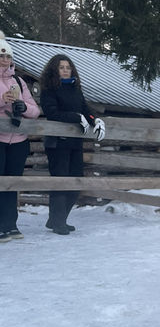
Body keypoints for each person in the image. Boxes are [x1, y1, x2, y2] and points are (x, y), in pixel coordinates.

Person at [39, 54, 105, 235]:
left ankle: (57, 219)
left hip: (75, 142)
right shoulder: (49, 90)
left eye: (68, 67)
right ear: (55, 70)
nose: (65, 70)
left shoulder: (76, 89)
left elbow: (85, 110)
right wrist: (76, 117)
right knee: (61, 182)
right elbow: (52, 113)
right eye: (62, 67)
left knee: (76, 181)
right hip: (57, 143)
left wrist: (96, 120)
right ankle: (58, 221)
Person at [0, 31, 41, 243]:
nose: (5, 60)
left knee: (12, 183)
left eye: (8, 56)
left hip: (17, 140)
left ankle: (10, 224)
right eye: (1, 55)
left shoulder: (19, 81)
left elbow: (35, 110)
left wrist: (22, 106)